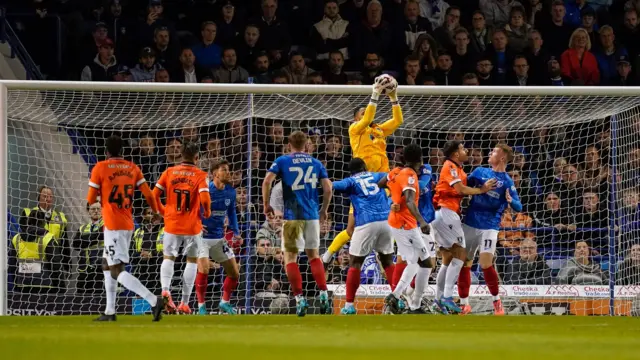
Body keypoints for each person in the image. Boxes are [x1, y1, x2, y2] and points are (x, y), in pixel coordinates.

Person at [321, 75, 402, 265]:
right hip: (362, 184)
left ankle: (393, 266)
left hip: (383, 184)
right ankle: (327, 257)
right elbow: (367, 119)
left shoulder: (380, 130)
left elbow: (398, 120)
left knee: (394, 223)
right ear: (355, 118)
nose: (367, 114)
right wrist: (374, 93)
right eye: (363, 112)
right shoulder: (355, 130)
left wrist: (393, 96)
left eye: (367, 111)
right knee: (351, 229)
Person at [87, 135, 162, 322]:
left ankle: (153, 300)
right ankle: (110, 311)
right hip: (128, 223)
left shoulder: (100, 167)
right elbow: (149, 195)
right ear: (123, 151)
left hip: (113, 226)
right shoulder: (133, 168)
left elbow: (90, 199)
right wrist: (155, 212)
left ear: (106, 151)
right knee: (106, 263)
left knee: (116, 270)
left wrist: (98, 201)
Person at [262, 131, 333, 317]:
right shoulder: (316, 163)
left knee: (290, 259)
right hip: (311, 215)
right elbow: (328, 188)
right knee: (314, 256)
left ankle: (300, 299)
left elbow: (267, 181)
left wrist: (266, 204)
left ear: (289, 145)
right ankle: (324, 293)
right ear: (306, 145)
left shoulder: (283, 160)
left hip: (292, 216)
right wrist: (324, 210)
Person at [431, 140, 496, 314]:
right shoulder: (450, 166)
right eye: (462, 148)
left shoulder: (457, 168)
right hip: (446, 213)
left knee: (447, 258)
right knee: (461, 254)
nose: (466, 150)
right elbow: (460, 189)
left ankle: (437, 299)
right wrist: (482, 190)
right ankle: (446, 297)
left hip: (441, 214)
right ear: (455, 154)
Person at [457, 144, 521, 316]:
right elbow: (462, 187)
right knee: (465, 263)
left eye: (493, 151)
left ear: (501, 158)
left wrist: (510, 201)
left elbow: (519, 206)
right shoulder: (479, 172)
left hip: (490, 226)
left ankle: (497, 302)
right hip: (470, 222)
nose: (490, 153)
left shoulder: (507, 181)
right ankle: (464, 304)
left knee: (486, 263)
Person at [152, 142, 211, 315]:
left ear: (181, 156)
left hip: (172, 224)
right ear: (197, 158)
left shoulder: (169, 172)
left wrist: (163, 212)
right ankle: (184, 303)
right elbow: (205, 198)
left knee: (168, 258)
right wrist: (206, 212)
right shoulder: (200, 175)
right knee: (191, 261)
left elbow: (153, 195)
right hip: (192, 226)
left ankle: (165, 291)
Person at [332, 158, 395, 315]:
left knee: (355, 262)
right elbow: (394, 177)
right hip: (386, 221)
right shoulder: (377, 175)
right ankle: (398, 298)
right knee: (387, 261)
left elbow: (332, 186)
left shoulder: (351, 181)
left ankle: (348, 305)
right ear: (365, 167)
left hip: (366, 222)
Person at [380, 144, 434, 314]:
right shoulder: (410, 176)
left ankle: (411, 303)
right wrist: (423, 222)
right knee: (422, 262)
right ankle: (399, 298)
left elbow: (382, 183)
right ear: (420, 160)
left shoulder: (396, 171)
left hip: (397, 223)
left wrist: (394, 197)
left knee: (423, 262)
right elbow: (410, 201)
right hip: (406, 224)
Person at [196, 159, 242, 315]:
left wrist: (236, 232)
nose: (227, 173)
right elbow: (193, 208)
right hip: (201, 237)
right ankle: (201, 306)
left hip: (218, 238)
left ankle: (225, 302)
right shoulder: (205, 190)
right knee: (204, 268)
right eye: (224, 169)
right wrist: (196, 224)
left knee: (234, 272)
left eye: (228, 170)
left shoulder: (230, 191)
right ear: (214, 173)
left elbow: (231, 213)